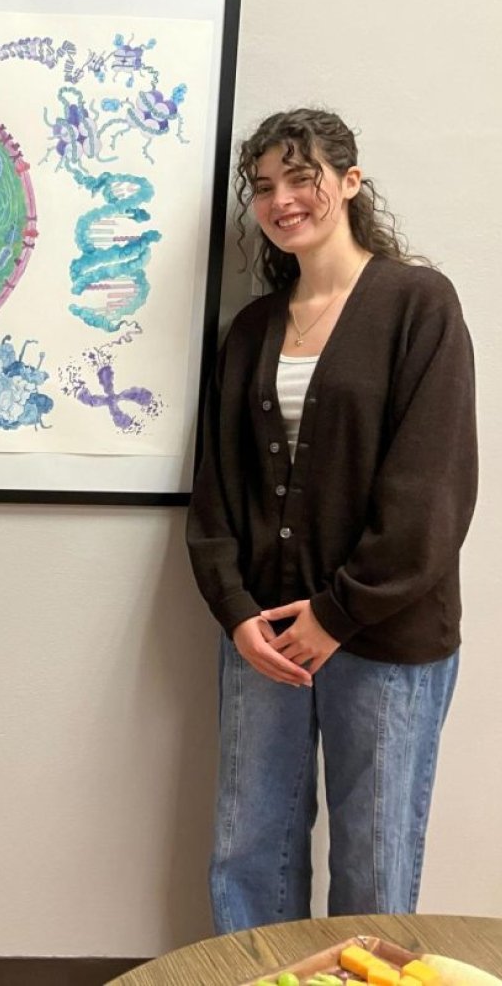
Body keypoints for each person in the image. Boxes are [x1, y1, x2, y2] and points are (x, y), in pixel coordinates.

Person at [186, 109, 476, 934]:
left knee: (373, 861)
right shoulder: (251, 330)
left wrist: (338, 613)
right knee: (248, 851)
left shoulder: (419, 304)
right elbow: (218, 490)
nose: (282, 201)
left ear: (350, 182)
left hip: (385, 636)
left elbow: (433, 487)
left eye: (301, 176)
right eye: (265, 186)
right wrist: (237, 611)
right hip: (264, 637)